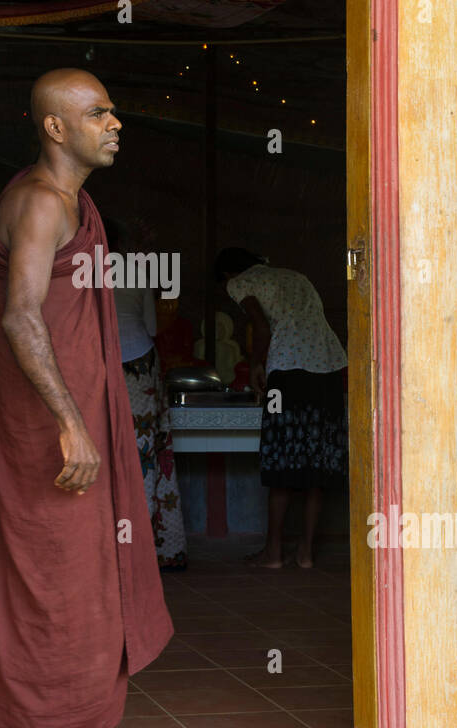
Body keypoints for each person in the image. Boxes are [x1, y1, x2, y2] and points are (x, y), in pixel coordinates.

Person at [0, 69, 173, 728]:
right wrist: (71, 422)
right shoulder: (41, 201)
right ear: (54, 127)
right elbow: (19, 317)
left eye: (111, 109)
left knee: (85, 593)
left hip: (66, 419)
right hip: (53, 433)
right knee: (38, 592)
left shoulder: (73, 200)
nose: (115, 123)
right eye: (97, 112)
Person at [215, 248, 348, 570]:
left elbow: (260, 328)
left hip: (287, 373)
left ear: (227, 275)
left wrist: (256, 364)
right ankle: (305, 554)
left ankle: (273, 553)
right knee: (318, 462)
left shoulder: (239, 283)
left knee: (281, 458)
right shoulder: (296, 276)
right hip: (330, 370)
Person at [103, 217, 188, 571]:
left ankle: (104, 552)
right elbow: (152, 326)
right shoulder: (135, 269)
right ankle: (145, 550)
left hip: (98, 364)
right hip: (140, 367)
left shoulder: (75, 270)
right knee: (145, 455)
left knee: (101, 450)